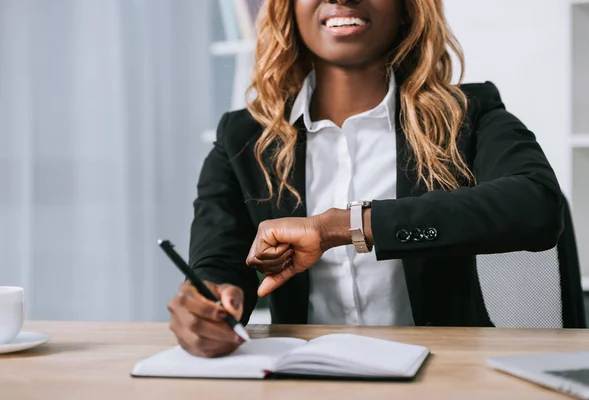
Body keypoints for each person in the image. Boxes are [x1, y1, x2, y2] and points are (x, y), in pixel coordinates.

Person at [167, 0, 565, 358]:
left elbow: (535, 205)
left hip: (446, 373)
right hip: (303, 378)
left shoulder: (468, 113)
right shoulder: (243, 137)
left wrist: (345, 226)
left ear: (409, 6)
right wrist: (210, 303)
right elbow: (217, 261)